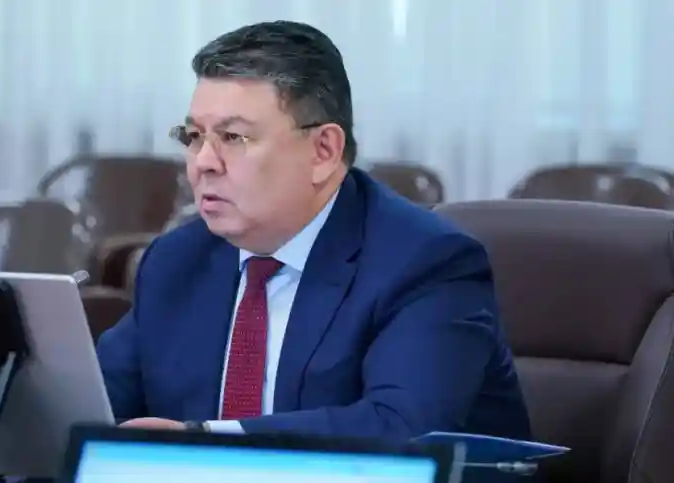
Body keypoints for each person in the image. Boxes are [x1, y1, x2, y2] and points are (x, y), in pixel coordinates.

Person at [96, 20, 531, 441]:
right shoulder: (176, 261)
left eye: (233, 137)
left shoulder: (425, 263)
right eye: (193, 136)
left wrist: (204, 441)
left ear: (323, 151)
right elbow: (96, 407)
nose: (203, 162)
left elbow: (401, 429)